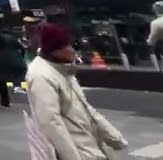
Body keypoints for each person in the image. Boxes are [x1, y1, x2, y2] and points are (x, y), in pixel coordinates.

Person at [25, 23, 126, 159]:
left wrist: (113, 136)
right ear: (55, 50)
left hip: (88, 145)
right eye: (68, 46)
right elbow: (51, 122)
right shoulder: (41, 76)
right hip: (78, 151)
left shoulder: (64, 69)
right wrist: (72, 157)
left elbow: (85, 108)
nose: (73, 50)